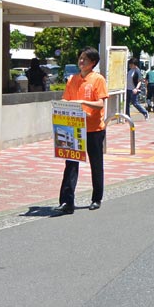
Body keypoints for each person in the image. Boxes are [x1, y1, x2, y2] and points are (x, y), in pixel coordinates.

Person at [57, 47, 109, 214]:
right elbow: (66, 98)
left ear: (92, 63)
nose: (81, 62)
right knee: (70, 163)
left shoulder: (98, 79)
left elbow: (101, 103)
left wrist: (83, 103)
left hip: (94, 128)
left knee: (96, 163)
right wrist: (64, 103)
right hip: (74, 127)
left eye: (84, 59)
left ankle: (96, 198)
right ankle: (66, 201)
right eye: (80, 58)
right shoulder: (72, 79)